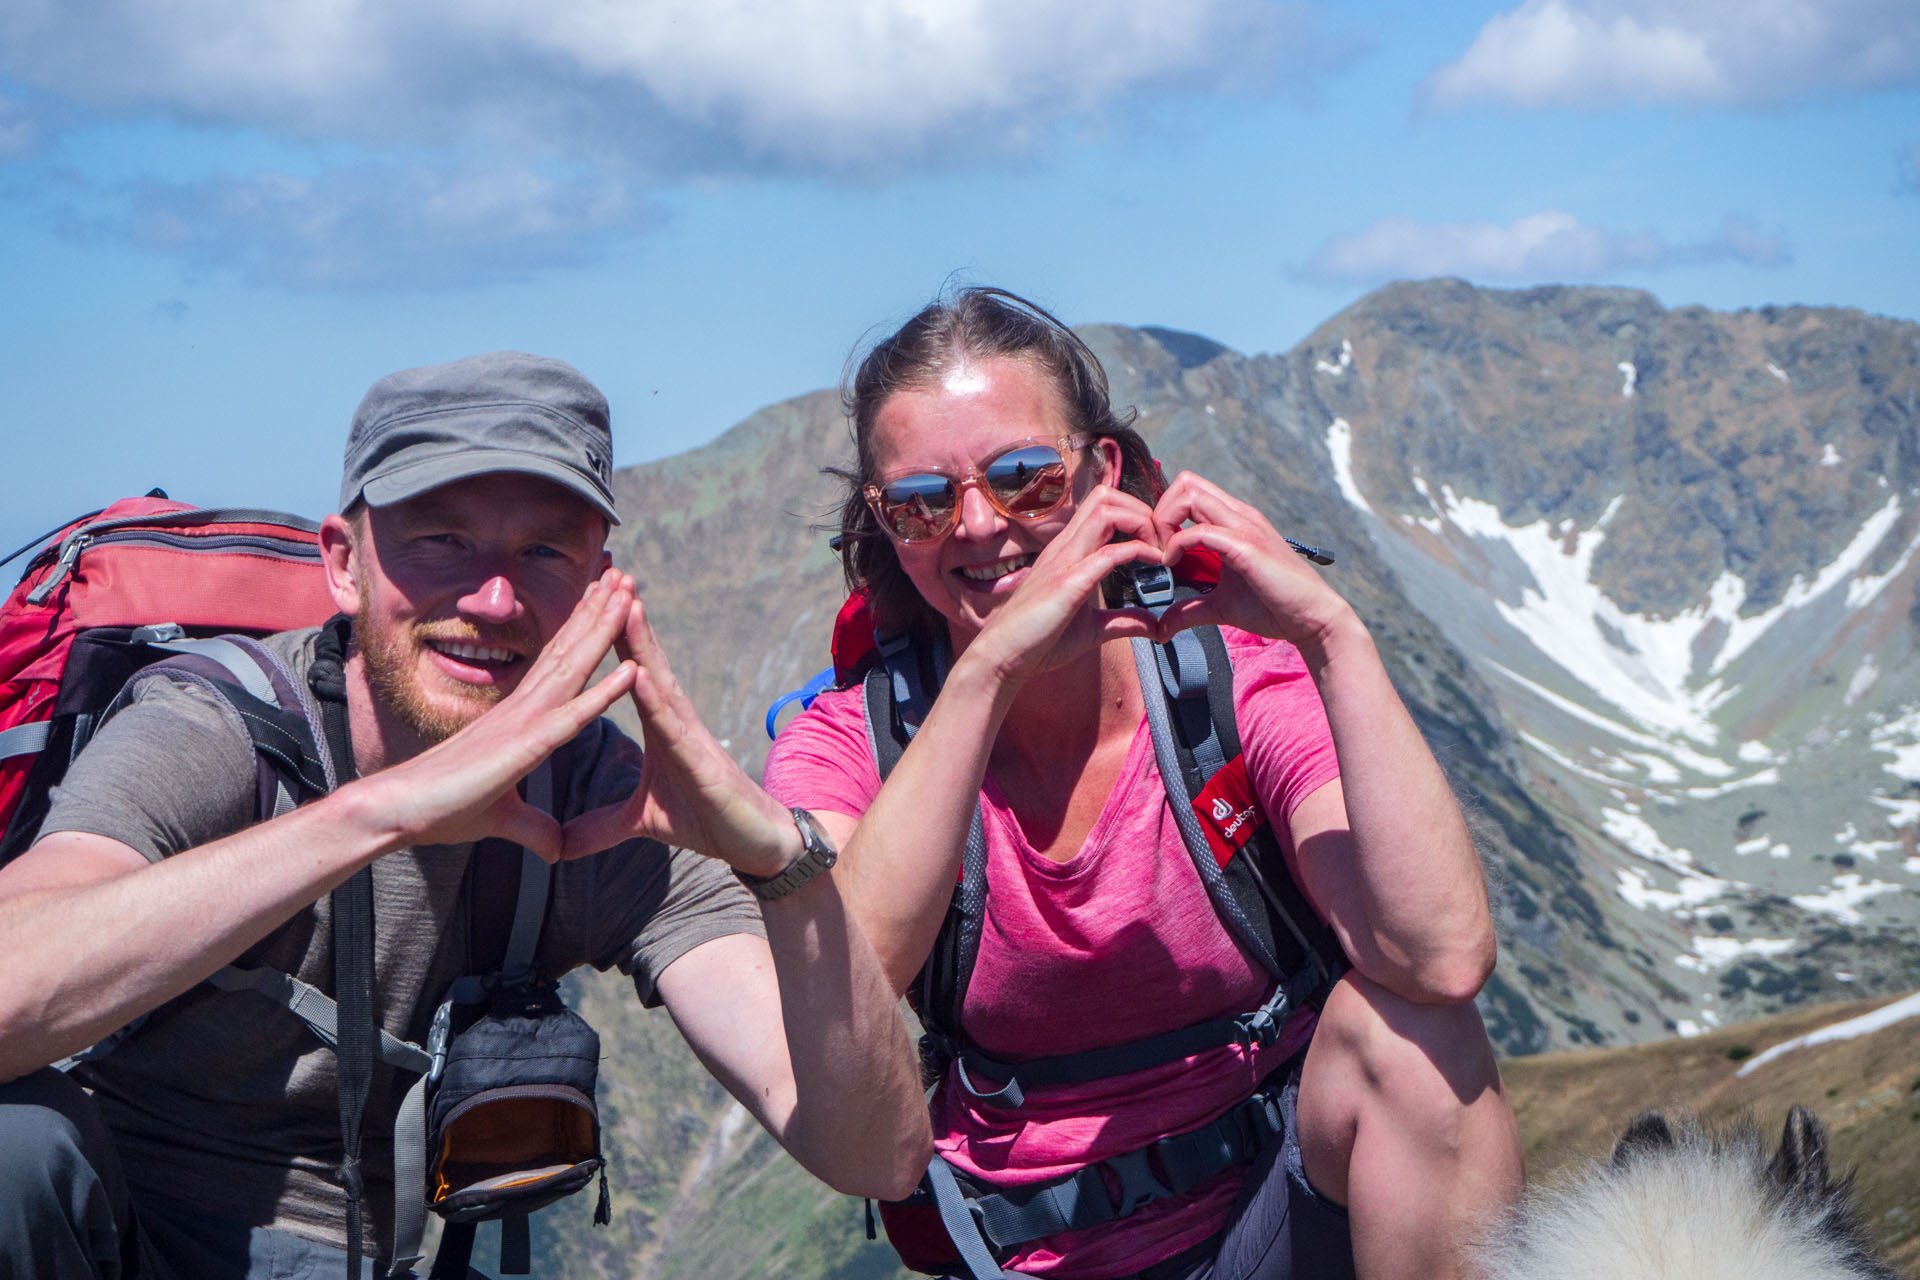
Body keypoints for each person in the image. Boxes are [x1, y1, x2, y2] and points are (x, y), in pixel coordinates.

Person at [0, 351, 932, 1278]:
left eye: (544, 551)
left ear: (599, 584)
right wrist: (380, 815)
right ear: (345, 565)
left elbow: (874, 1155)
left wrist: (781, 862)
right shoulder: (216, 732)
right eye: (440, 540)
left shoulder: (609, 806)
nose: (493, 598)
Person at [763, 289, 1524, 1280]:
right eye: (923, 501)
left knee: (1418, 1040)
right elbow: (841, 1006)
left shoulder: (1234, 681)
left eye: (1025, 478)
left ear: (1102, 473)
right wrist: (990, 674)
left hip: (1284, 1221)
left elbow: (1442, 958)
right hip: (1030, 1254)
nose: (980, 525)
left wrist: (1334, 638)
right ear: (884, 522)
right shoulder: (845, 744)